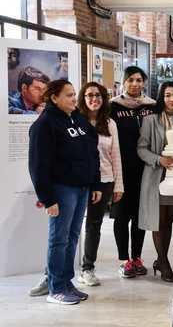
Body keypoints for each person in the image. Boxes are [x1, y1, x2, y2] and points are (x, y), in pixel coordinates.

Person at [28, 79, 102, 305]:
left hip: (82, 188)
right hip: (62, 189)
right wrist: (47, 199)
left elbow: (92, 152)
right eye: (69, 95)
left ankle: (66, 282)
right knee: (58, 239)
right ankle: (56, 288)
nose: (74, 98)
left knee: (71, 238)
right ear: (54, 98)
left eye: (73, 94)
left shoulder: (78, 119)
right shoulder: (45, 125)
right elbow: (38, 165)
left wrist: (96, 183)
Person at [137, 81, 173, 282]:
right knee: (159, 221)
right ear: (162, 97)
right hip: (156, 178)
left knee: (168, 220)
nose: (172, 99)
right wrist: (159, 160)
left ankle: (161, 261)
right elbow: (141, 148)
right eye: (167, 95)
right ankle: (163, 261)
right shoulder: (151, 120)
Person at [76, 82, 124, 287]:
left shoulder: (110, 123)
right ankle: (59, 269)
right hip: (78, 181)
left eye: (98, 95)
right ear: (83, 99)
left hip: (104, 180)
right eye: (89, 95)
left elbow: (116, 155)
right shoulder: (75, 121)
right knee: (71, 226)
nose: (94, 99)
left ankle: (88, 268)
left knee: (94, 225)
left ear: (103, 99)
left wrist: (118, 185)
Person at [110, 66, 156, 279]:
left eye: (139, 80)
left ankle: (137, 257)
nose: (135, 84)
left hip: (145, 170)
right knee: (121, 217)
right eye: (131, 80)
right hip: (121, 170)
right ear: (124, 82)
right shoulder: (113, 107)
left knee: (140, 217)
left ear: (144, 82)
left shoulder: (152, 107)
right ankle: (124, 260)